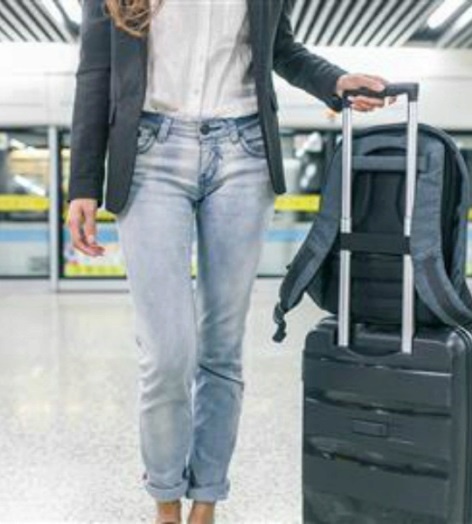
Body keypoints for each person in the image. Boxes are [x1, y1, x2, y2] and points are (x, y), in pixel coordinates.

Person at [66, 1, 397, 523]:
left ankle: (206, 501)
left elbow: (280, 48)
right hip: (151, 154)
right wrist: (82, 183)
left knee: (221, 348)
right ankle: (166, 498)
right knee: (167, 354)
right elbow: (95, 72)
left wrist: (334, 81)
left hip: (244, 152)